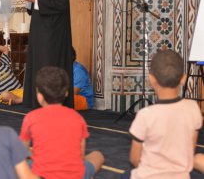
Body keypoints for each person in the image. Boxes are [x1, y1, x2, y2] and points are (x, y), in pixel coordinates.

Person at [121, 50, 202, 179]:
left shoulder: (145, 115)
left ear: (151, 79)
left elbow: (135, 159)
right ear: (183, 78)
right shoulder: (193, 108)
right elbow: (190, 152)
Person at [19, 66, 104, 179]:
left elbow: (20, 152)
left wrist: (32, 153)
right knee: (98, 156)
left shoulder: (31, 118)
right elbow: (81, 155)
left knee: (17, 162)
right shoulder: (77, 117)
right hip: (75, 174)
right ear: (66, 93)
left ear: (39, 96)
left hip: (42, 174)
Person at [18, 0, 73, 108]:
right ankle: (37, 102)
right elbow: (38, 6)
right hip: (40, 35)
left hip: (52, 37)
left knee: (48, 67)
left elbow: (60, 5)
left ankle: (52, 103)